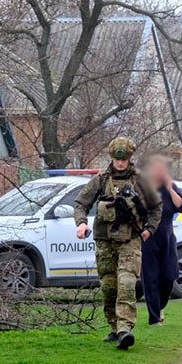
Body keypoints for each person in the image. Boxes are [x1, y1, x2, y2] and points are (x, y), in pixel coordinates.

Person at [73, 137, 162, 350]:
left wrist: (149, 230)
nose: (120, 163)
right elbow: (80, 204)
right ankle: (114, 327)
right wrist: (81, 224)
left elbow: (156, 208)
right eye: (117, 159)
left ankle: (125, 330)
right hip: (104, 241)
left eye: (124, 159)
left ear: (130, 158)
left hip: (130, 240)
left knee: (126, 284)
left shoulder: (141, 181)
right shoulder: (101, 180)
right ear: (112, 158)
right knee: (109, 287)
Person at [141, 154, 182, 325]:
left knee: (169, 276)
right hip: (148, 236)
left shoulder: (170, 187)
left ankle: (160, 307)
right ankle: (154, 318)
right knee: (151, 277)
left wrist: (169, 187)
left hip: (167, 236)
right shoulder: (143, 187)